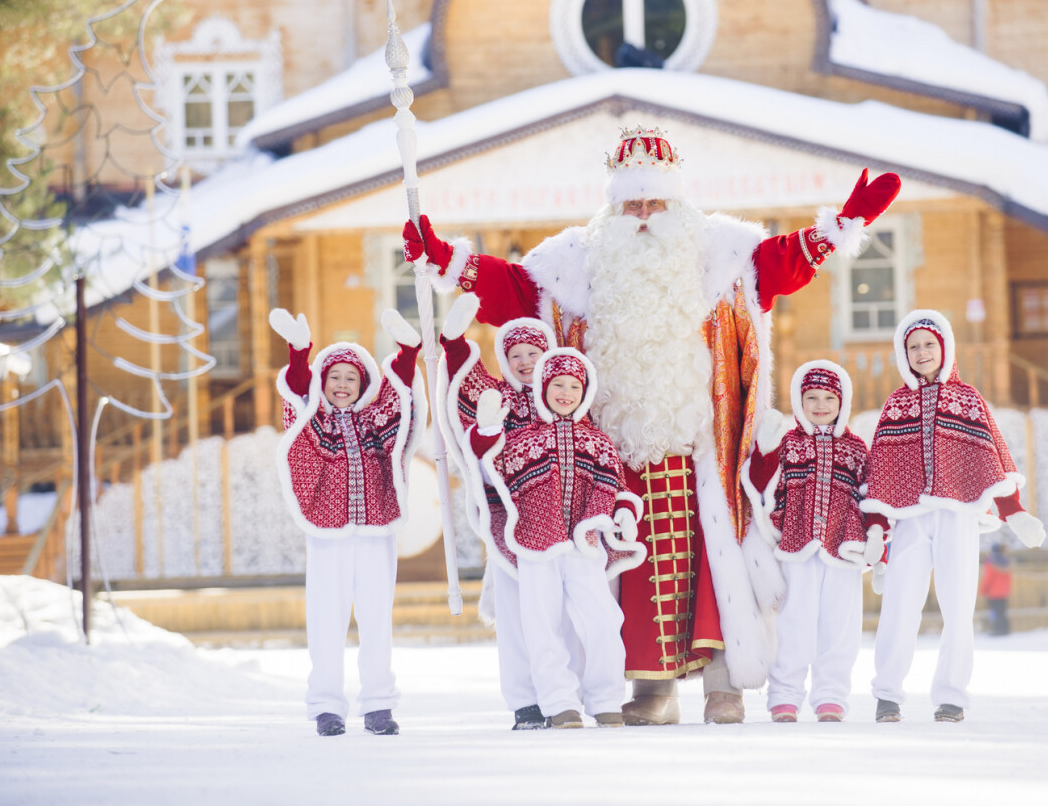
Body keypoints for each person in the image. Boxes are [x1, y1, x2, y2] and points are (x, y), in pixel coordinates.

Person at [404, 125, 901, 724]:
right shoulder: (572, 264)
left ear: (676, 202)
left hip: (704, 445)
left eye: (654, 202)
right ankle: (649, 690)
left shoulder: (722, 256)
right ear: (613, 206)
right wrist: (443, 260)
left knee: (717, 567)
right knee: (631, 573)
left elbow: (784, 261)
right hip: (611, 448)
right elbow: (509, 288)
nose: (642, 216)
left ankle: (724, 684)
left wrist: (842, 223)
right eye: (631, 204)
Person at [861, 309, 1046, 724]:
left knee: (958, 605)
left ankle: (952, 696)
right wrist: (879, 533)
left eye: (929, 344)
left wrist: (1013, 511)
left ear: (944, 347)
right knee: (899, 605)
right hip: (911, 519)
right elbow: (881, 475)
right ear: (902, 354)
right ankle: (887, 693)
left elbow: (992, 458)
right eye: (913, 347)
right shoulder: (895, 405)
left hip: (958, 515)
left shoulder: (968, 399)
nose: (922, 352)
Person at [468, 348, 647, 728]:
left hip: (585, 546)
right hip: (536, 544)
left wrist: (625, 515)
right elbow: (491, 471)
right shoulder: (522, 440)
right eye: (557, 385)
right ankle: (559, 702)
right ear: (543, 388)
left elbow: (616, 488)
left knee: (601, 619)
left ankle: (605, 699)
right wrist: (486, 433)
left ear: (585, 392)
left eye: (574, 386)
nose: (565, 392)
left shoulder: (597, 442)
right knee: (541, 623)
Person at [270, 306, 424, 737]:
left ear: (364, 383)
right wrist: (300, 356)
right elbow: (296, 397)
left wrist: (408, 353)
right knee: (326, 618)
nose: (341, 385)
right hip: (328, 532)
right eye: (334, 377)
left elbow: (403, 402)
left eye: (350, 378)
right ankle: (326, 705)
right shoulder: (312, 418)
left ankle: (378, 703)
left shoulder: (377, 418)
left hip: (376, 530)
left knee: (376, 617)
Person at [436, 292, 574, 730]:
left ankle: (567, 694)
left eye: (534, 352)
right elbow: (465, 387)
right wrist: (455, 344)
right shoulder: (496, 395)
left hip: (565, 520)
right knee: (515, 614)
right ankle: (525, 701)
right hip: (511, 519)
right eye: (515, 355)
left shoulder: (568, 394)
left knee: (564, 613)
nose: (525, 361)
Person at [742, 360, 886, 723]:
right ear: (799, 400)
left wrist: (875, 532)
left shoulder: (855, 448)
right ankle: (785, 696)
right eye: (811, 398)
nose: (820, 405)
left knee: (840, 627)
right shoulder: (788, 445)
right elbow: (761, 485)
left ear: (843, 402)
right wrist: (765, 447)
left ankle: (831, 696)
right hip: (798, 544)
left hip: (845, 547)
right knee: (794, 624)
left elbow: (870, 494)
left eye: (828, 398)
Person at [979, 543, 1013, 636]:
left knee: (995, 612)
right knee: (1002, 612)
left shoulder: (990, 563)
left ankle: (997, 630)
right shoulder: (1006, 562)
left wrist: (983, 590)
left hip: (994, 592)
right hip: (1004, 592)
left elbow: (988, 578)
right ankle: (1005, 630)